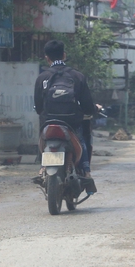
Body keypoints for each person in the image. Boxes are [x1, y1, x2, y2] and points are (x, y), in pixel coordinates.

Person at [34, 40, 96, 180]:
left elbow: (38, 107)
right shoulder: (77, 76)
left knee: (42, 138)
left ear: (47, 58)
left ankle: (42, 167)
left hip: (48, 122)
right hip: (71, 122)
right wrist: (92, 110)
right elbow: (87, 106)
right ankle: (86, 171)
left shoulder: (42, 78)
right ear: (64, 55)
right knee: (81, 139)